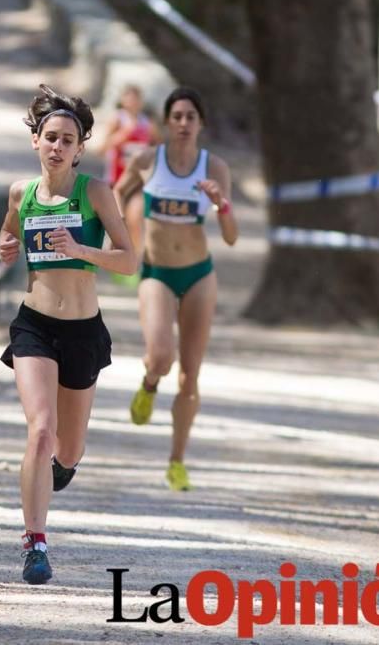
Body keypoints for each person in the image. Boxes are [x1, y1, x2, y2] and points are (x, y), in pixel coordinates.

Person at [0, 84, 136, 585]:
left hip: (82, 331)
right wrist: (6, 247)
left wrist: (81, 249)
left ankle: (58, 470)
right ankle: (35, 543)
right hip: (34, 324)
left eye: (68, 140)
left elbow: (129, 259)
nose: (57, 147)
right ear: (36, 141)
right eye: (50, 137)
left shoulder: (95, 193)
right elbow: (9, 230)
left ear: (80, 149)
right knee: (40, 430)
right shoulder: (21, 192)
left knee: (68, 449)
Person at [113, 86, 238, 492]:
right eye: (177, 116)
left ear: (201, 124)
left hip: (200, 275)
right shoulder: (149, 160)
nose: (184, 123)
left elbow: (232, 237)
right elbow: (116, 193)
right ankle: (149, 382)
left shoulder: (214, 167)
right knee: (162, 356)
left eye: (191, 117)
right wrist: (116, 241)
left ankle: (176, 461)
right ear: (167, 122)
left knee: (190, 376)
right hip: (158, 273)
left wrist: (221, 205)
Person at [100, 85, 160, 266]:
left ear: (141, 102)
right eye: (129, 97)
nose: (133, 102)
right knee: (118, 222)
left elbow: (159, 149)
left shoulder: (147, 124)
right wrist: (124, 134)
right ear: (123, 100)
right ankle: (115, 259)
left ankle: (133, 262)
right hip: (115, 180)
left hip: (138, 182)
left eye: (136, 98)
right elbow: (102, 148)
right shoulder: (117, 120)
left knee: (135, 220)